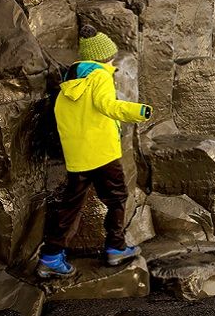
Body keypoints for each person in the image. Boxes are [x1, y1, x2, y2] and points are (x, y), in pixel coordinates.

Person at [37, 24, 153, 278]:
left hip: (78, 156)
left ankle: (50, 256)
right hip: (102, 154)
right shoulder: (100, 76)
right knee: (117, 198)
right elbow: (107, 105)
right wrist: (138, 111)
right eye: (110, 55)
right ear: (103, 56)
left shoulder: (71, 78)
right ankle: (116, 248)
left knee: (71, 204)